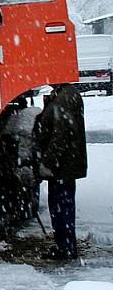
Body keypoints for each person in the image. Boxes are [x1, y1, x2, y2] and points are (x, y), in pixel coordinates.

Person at [34, 83, 87, 260]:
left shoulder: (63, 98)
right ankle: (65, 245)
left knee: (61, 207)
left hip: (63, 167)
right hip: (64, 166)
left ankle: (66, 247)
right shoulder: (64, 95)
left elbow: (61, 136)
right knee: (62, 206)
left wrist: (47, 163)